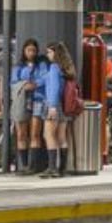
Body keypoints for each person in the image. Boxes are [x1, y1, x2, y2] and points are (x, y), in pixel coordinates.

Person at [10, 40, 48, 175]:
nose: (31, 53)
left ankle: (33, 166)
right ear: (24, 51)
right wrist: (24, 85)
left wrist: (34, 84)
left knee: (35, 133)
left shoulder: (41, 65)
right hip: (22, 101)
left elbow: (44, 79)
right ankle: (24, 165)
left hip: (37, 100)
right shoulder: (18, 67)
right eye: (28, 50)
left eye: (33, 50)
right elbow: (13, 82)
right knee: (21, 134)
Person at [42, 42, 79, 178]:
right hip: (65, 105)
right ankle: (62, 169)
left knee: (48, 135)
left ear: (56, 53)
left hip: (54, 104)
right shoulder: (67, 69)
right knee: (61, 137)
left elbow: (54, 87)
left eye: (49, 52)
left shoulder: (54, 67)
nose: (47, 55)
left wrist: (52, 106)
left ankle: (52, 168)